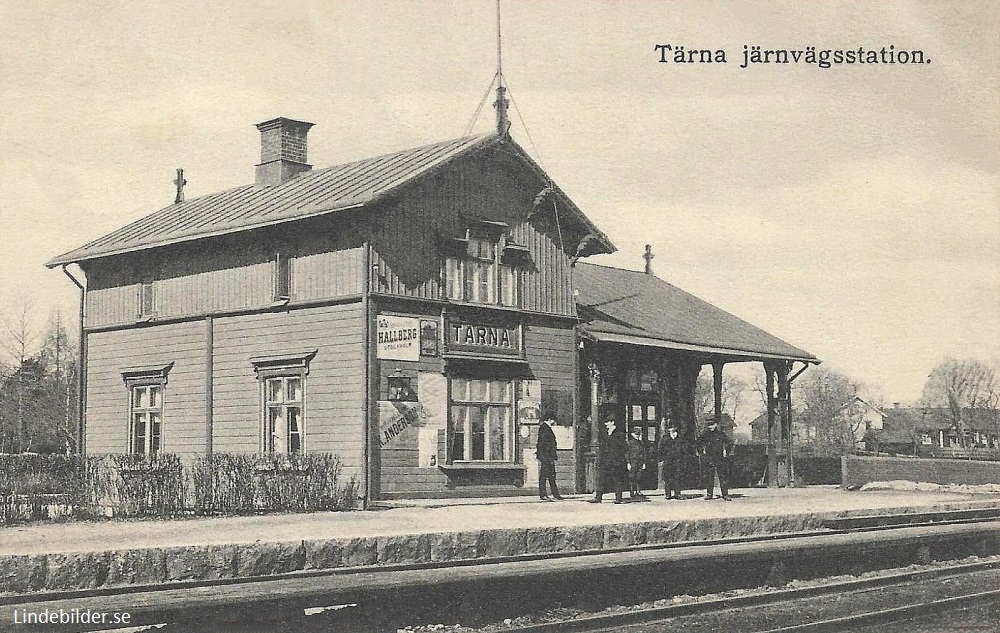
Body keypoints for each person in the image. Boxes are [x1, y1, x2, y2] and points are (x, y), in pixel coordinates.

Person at [589, 417, 627, 504]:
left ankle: (618, 498)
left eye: (607, 422)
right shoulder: (605, 433)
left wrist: (618, 457)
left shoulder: (619, 433)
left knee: (617, 479)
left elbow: (624, 447)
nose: (605, 424)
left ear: (612, 422)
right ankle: (598, 498)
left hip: (616, 461)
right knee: (601, 478)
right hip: (606, 460)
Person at [698, 417, 733, 501]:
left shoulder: (721, 434)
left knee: (723, 476)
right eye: (709, 425)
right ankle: (709, 494)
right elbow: (699, 443)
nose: (710, 427)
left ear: (716, 424)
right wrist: (702, 452)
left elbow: (729, 443)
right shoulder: (705, 434)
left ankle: (725, 494)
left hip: (720, 457)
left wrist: (726, 451)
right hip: (709, 457)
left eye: (712, 425)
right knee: (709, 476)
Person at [536, 414, 563, 501]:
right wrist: (548, 455)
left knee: (551, 476)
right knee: (544, 476)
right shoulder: (544, 428)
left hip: (547, 456)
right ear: (550, 419)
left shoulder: (545, 427)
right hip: (546, 457)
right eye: (554, 421)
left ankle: (555, 494)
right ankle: (543, 495)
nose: (554, 423)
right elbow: (543, 443)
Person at [658, 419, 685, 500]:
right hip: (668, 461)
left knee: (677, 477)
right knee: (667, 477)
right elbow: (660, 449)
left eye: (673, 428)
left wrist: (683, 459)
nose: (672, 430)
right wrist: (661, 459)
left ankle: (677, 494)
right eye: (670, 428)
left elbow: (684, 450)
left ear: (676, 428)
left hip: (678, 460)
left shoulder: (680, 438)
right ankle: (668, 494)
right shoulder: (665, 438)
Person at [626, 427, 648, 500]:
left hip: (640, 462)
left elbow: (644, 453)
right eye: (636, 434)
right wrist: (628, 463)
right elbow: (627, 453)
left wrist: (644, 462)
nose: (637, 436)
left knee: (639, 477)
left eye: (638, 434)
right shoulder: (629, 443)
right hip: (633, 462)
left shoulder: (641, 443)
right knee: (632, 477)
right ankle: (632, 492)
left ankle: (638, 491)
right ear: (632, 434)